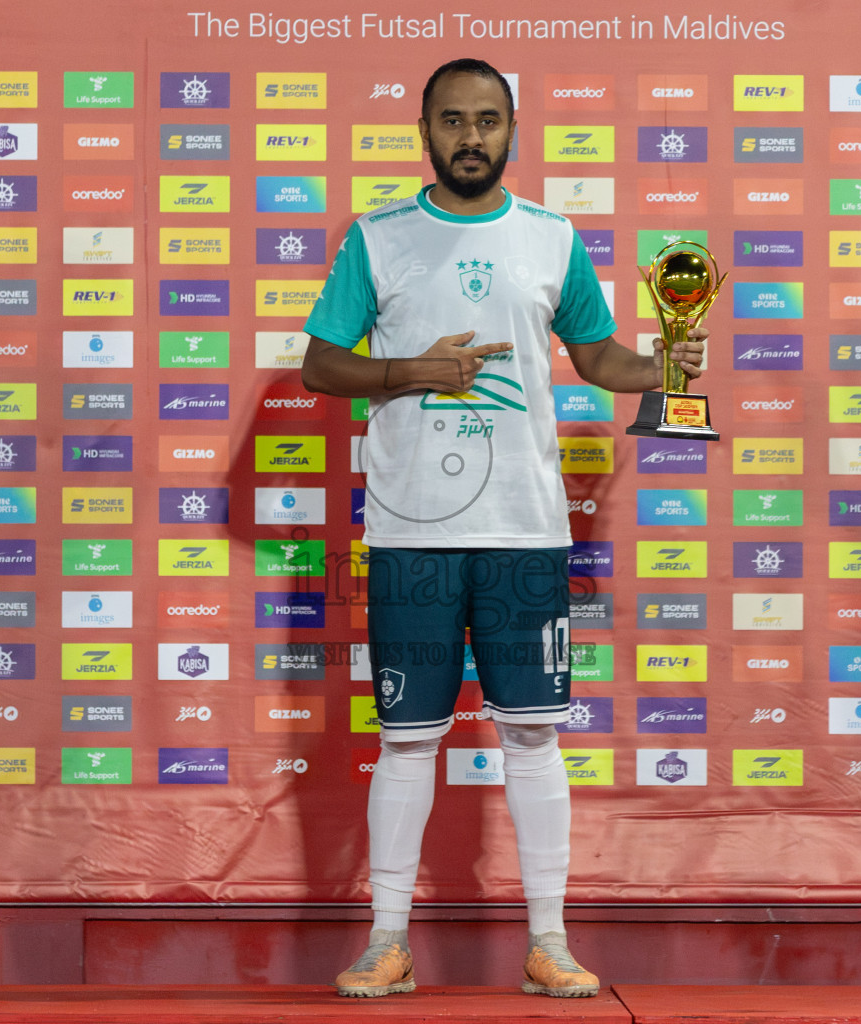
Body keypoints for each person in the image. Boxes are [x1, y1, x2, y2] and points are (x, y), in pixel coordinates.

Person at [301, 57, 708, 998]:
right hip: (411, 529)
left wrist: (666, 367)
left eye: (488, 120)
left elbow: (599, 356)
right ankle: (386, 943)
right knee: (407, 738)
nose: (470, 136)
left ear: (513, 129)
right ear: (425, 129)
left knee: (532, 735)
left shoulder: (552, 239)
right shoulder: (380, 237)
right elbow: (323, 367)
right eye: (453, 120)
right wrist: (411, 373)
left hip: (525, 529)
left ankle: (550, 944)